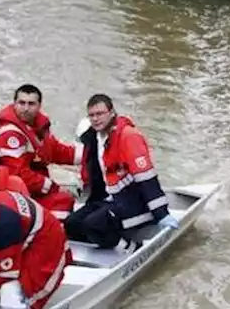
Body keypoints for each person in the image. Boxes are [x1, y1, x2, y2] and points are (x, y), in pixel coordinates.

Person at [63, 93, 175, 251]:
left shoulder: (128, 137)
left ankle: (131, 247)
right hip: (112, 199)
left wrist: (161, 214)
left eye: (100, 114)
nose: (95, 119)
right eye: (92, 115)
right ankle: (105, 241)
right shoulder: (99, 140)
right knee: (71, 224)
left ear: (111, 113)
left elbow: (146, 178)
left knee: (93, 224)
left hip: (137, 202)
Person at [0, 84, 84, 223]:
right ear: (14, 104)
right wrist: (53, 187)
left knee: (65, 198)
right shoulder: (10, 135)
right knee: (63, 201)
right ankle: (48, 232)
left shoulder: (37, 126)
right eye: (21, 103)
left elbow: (55, 150)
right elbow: (19, 173)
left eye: (31, 104)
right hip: (12, 191)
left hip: (31, 186)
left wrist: (89, 154)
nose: (26, 108)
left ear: (39, 105)